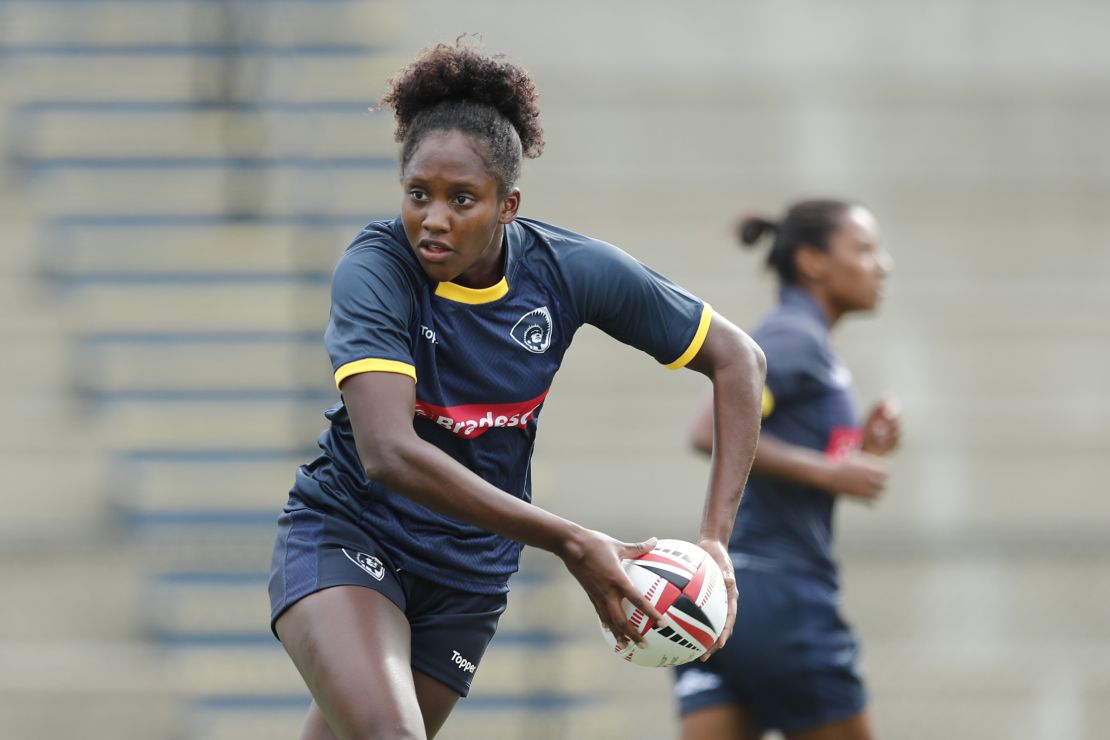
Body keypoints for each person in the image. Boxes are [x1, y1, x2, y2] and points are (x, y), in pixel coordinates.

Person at [267, 39, 767, 740]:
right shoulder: (376, 270)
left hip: (469, 576)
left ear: (509, 204)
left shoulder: (566, 272)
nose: (433, 219)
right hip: (351, 534)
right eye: (419, 194)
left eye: (461, 199)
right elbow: (388, 452)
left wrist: (716, 541)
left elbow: (738, 360)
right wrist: (571, 540)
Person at [673, 199, 901, 740]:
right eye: (865, 249)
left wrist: (858, 452)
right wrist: (829, 473)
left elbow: (772, 443)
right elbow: (709, 428)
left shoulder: (808, 343)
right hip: (783, 596)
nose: (882, 264)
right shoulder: (793, 337)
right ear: (812, 262)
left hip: (722, 597)